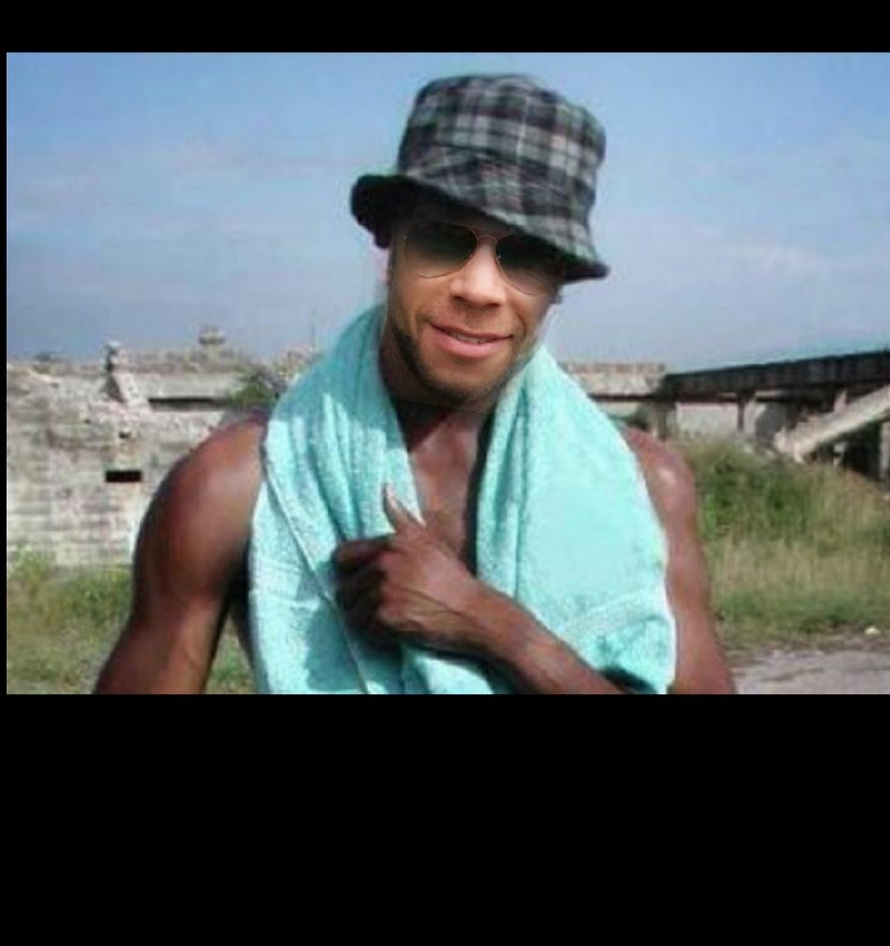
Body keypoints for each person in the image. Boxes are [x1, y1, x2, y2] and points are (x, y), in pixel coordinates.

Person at [96, 74, 735, 694]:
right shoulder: (235, 489)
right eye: (442, 240)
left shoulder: (643, 486)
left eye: (525, 256)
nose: (479, 289)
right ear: (389, 236)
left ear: (559, 280)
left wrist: (497, 628)